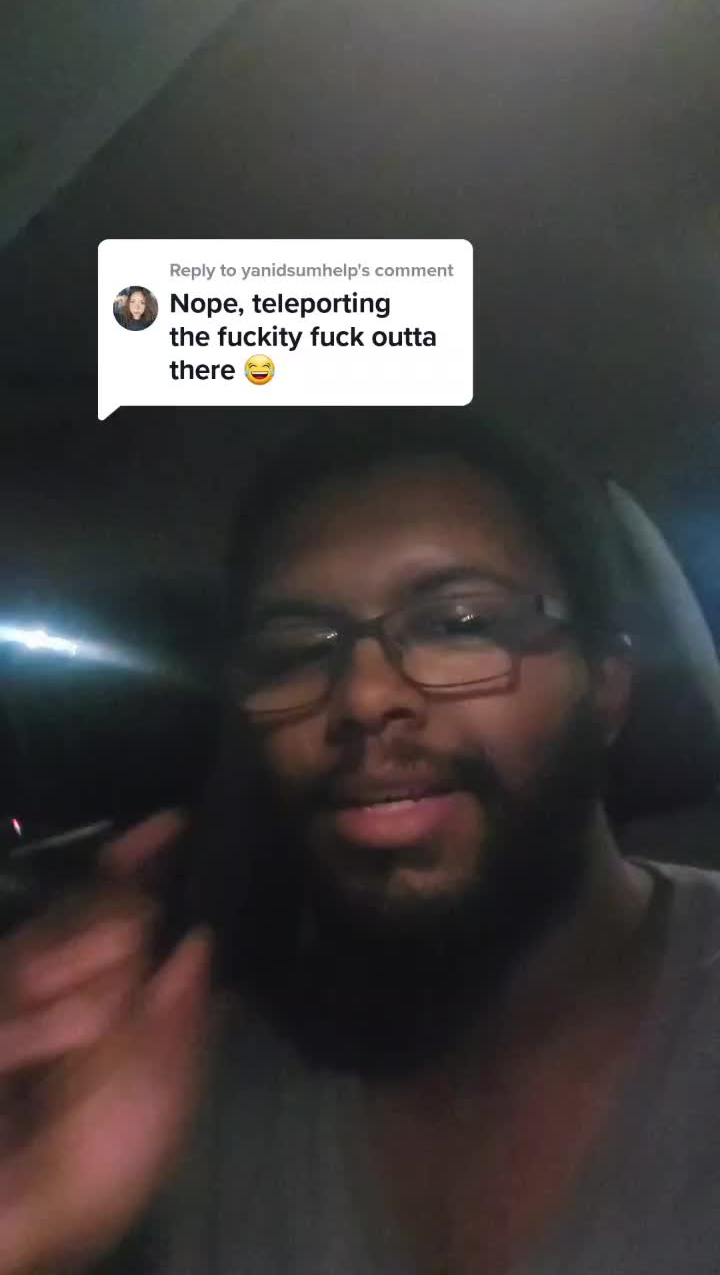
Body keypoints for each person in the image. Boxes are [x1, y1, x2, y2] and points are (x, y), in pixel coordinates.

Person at [2, 412, 720, 1275]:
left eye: (459, 624)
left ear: (605, 688)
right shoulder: (171, 1085)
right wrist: (28, 1230)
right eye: (293, 651)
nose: (364, 696)